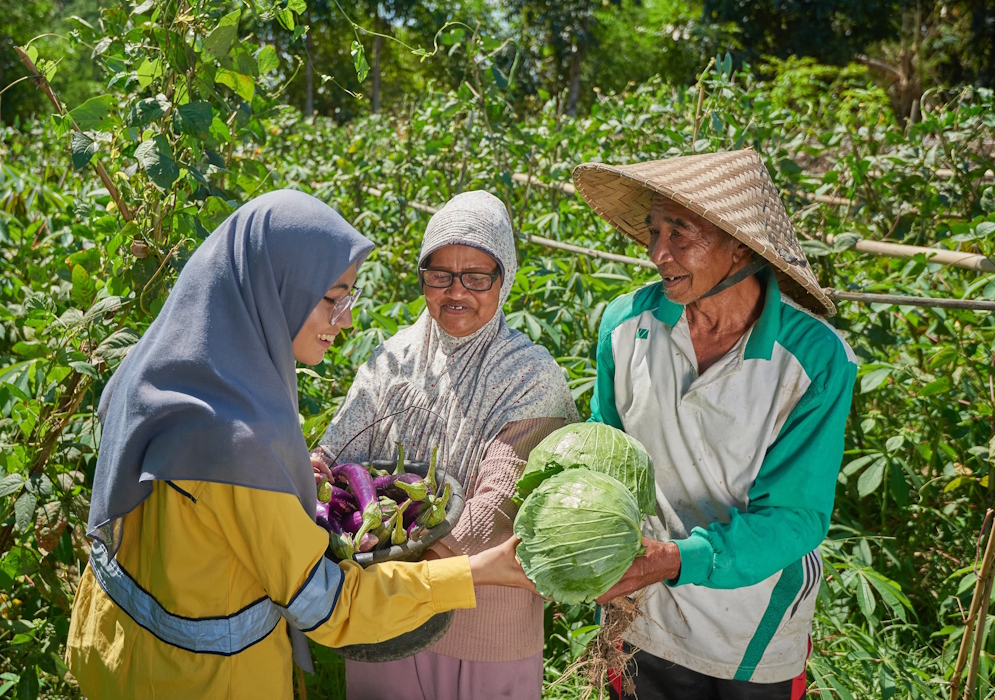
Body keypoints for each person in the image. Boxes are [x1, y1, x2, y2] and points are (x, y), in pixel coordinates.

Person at [65, 190, 534, 700]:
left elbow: (208, 517)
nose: (347, 320)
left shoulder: (156, 369)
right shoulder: (241, 441)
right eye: (334, 298)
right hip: (202, 680)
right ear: (275, 289)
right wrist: (473, 570)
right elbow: (327, 606)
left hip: (115, 651)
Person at [570, 150, 858, 699]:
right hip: (640, 607)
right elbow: (604, 452)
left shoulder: (815, 360)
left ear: (740, 245)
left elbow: (797, 518)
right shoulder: (626, 326)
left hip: (750, 624)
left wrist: (679, 559)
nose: (658, 253)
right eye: (654, 232)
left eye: (681, 233)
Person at [312, 190, 579, 700]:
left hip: (481, 618)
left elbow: (502, 500)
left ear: (505, 281)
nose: (457, 291)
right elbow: (334, 454)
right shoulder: (392, 360)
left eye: (478, 277)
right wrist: (314, 472)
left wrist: (395, 571)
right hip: (387, 616)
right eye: (440, 275)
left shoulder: (532, 375)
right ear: (423, 278)